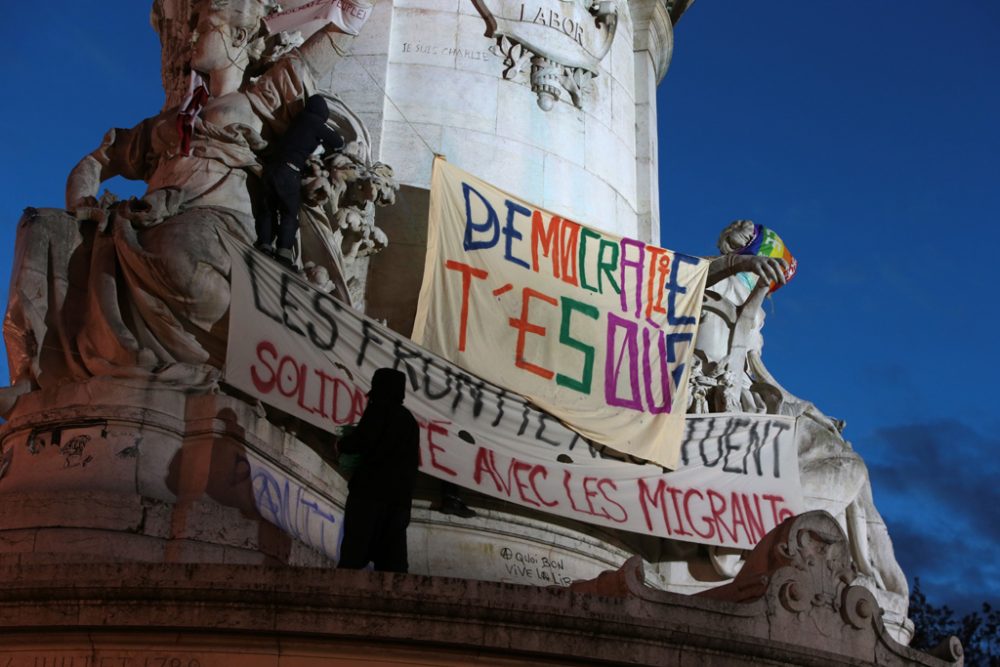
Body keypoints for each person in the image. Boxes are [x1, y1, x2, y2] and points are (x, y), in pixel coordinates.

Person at [337, 368, 420, 572]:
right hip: (399, 501)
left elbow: (363, 441)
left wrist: (342, 444)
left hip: (369, 494)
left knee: (354, 552)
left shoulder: (378, 410)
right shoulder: (410, 421)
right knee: (393, 560)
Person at [256, 94, 345, 269]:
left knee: (267, 210)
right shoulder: (315, 122)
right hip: (288, 172)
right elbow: (338, 143)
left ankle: (264, 246)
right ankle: (283, 254)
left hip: (270, 170)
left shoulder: (296, 121)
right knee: (289, 213)